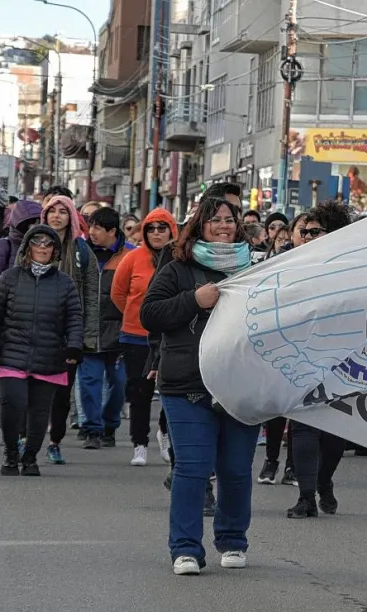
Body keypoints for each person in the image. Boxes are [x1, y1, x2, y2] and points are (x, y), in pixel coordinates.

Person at [140, 195, 258, 575]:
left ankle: (233, 539)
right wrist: (194, 299)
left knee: (237, 469)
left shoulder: (256, 266)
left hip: (242, 382)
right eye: (215, 219)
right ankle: (185, 549)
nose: (224, 225)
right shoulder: (178, 265)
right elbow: (150, 314)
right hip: (187, 384)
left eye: (230, 219)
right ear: (200, 224)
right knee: (192, 467)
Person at [0, 225, 85, 476]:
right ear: (27, 248)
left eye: (49, 244)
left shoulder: (65, 284)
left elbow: (74, 318)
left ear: (55, 251)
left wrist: (74, 346)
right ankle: (11, 453)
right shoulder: (9, 277)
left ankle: (30, 457)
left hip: (49, 356)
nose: (43, 248)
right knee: (13, 402)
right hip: (10, 354)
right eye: (37, 243)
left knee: (39, 411)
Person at [285, 202, 354, 518]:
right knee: (302, 426)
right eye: (303, 232)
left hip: (340, 357)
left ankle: (324, 481)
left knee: (335, 431)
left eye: (315, 231)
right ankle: (306, 496)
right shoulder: (284, 266)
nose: (308, 237)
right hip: (299, 357)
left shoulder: (349, 265)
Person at [112, 208, 178, 466]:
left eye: (162, 227)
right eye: (151, 228)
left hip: (169, 337)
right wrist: (136, 315)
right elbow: (118, 293)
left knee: (169, 391)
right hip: (136, 335)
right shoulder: (132, 257)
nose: (156, 233)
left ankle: (165, 431)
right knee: (139, 392)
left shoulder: (179, 258)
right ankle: (139, 443)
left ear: (172, 230)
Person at [40, 195, 100, 464]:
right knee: (33, 389)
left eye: (63, 211)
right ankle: (25, 438)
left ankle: (55, 441)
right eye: (52, 210)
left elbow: (91, 294)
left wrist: (87, 336)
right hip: (35, 329)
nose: (57, 216)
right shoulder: (33, 245)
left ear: (72, 217)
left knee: (62, 392)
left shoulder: (81, 250)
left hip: (69, 331)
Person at [0, 199, 42, 445]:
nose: (35, 227)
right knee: (0, 376)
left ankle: (23, 431)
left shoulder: (46, 248)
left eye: (39, 222)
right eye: (30, 223)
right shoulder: (2, 247)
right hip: (5, 324)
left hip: (35, 326)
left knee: (29, 380)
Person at [80, 207, 133, 449]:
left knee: (119, 382)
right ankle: (92, 429)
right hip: (88, 329)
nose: (91, 232)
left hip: (120, 331)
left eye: (98, 228)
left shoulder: (130, 255)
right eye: (90, 226)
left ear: (112, 231)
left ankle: (110, 424)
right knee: (89, 381)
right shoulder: (81, 253)